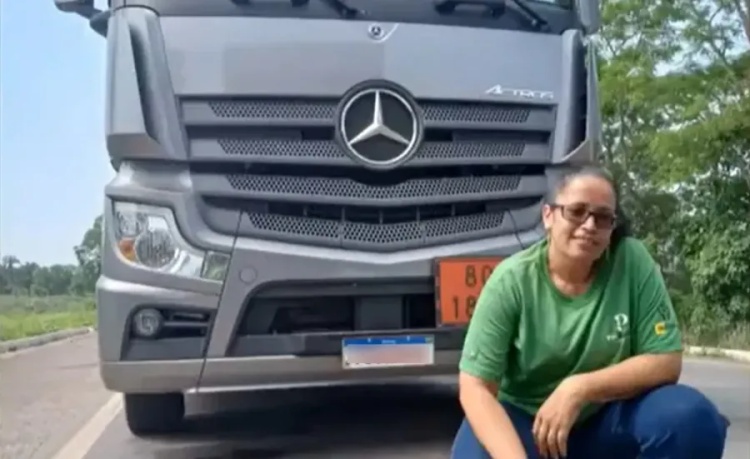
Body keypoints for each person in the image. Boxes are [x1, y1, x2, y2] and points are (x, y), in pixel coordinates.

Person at [451, 166, 729, 459]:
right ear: (549, 216)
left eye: (602, 217)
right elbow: (475, 388)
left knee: (691, 418)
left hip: (607, 420)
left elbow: (665, 360)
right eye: (576, 211)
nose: (589, 225)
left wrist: (579, 388)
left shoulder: (632, 262)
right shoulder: (511, 281)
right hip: (529, 424)